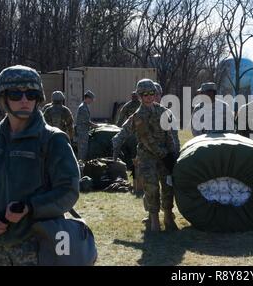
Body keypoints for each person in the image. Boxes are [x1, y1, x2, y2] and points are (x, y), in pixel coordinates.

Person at [0, 65, 79, 265]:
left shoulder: (52, 140)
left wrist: (30, 207)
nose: (24, 100)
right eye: (15, 94)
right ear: (2, 98)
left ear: (38, 98)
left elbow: (68, 191)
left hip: (37, 248)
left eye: (31, 94)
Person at [112, 79, 178, 232]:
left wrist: (172, 153)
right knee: (151, 187)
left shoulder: (163, 111)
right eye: (145, 94)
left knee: (168, 186)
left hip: (165, 156)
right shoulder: (137, 116)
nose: (149, 97)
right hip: (147, 157)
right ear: (140, 96)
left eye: (152, 93)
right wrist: (115, 148)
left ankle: (168, 215)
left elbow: (170, 135)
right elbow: (123, 133)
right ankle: (154, 219)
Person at [75, 90, 97, 160]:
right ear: (87, 98)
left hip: (83, 131)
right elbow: (86, 121)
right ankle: (81, 166)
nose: (92, 101)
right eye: (91, 99)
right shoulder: (83, 107)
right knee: (82, 151)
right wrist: (95, 125)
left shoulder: (85, 106)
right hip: (82, 132)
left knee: (83, 150)